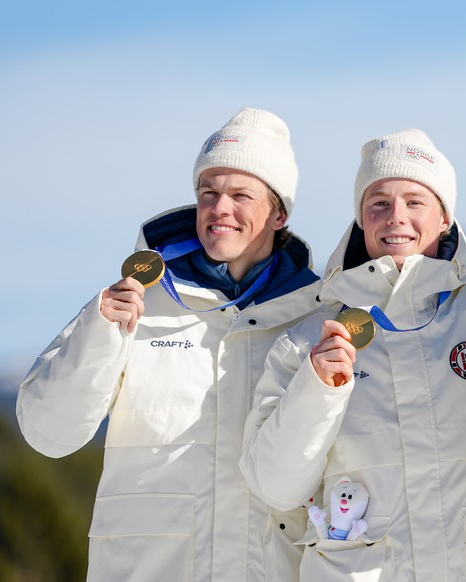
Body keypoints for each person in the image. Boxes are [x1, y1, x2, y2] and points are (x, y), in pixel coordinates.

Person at [17, 108, 323, 581]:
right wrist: (101, 337)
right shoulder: (132, 301)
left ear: (278, 213)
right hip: (150, 566)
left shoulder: (317, 316)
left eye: (241, 195)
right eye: (209, 193)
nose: (220, 208)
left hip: (272, 564)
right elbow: (48, 434)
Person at [240, 128, 466, 581]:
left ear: (445, 218)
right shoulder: (309, 342)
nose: (396, 218)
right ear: (361, 220)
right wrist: (315, 391)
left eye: (415, 201)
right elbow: (275, 485)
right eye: (379, 204)